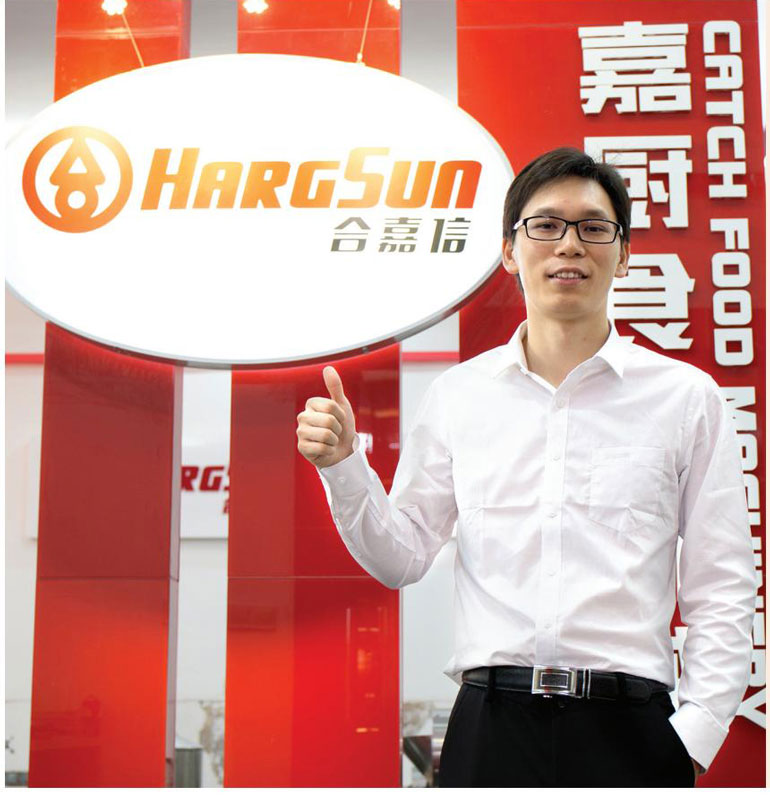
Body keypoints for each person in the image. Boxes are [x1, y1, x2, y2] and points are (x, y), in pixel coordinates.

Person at [295, 147, 756, 787]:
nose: (569, 245)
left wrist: (695, 737)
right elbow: (402, 557)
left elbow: (722, 584)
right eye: (545, 225)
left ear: (624, 253)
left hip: (632, 731)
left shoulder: (685, 398)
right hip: (491, 728)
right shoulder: (459, 396)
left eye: (593, 227)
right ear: (510, 251)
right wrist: (344, 466)